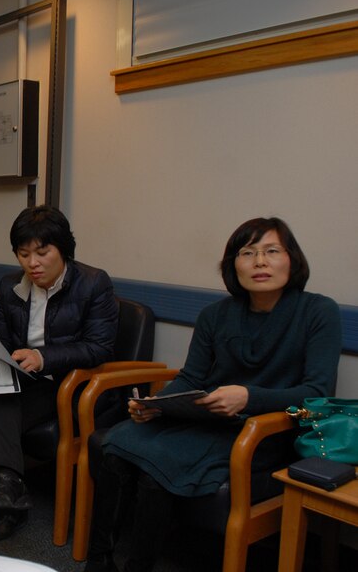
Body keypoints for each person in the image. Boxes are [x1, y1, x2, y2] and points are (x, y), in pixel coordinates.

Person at [85, 217, 341, 572]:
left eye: (271, 251)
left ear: (292, 260)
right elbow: (191, 376)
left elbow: (318, 393)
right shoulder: (214, 315)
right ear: (233, 265)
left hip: (260, 432)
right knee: (116, 444)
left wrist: (248, 398)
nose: (260, 262)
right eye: (247, 252)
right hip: (202, 421)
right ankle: (99, 562)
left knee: (155, 467)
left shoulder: (319, 312)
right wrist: (156, 406)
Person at [0, 205, 118, 541]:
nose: (32, 263)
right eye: (23, 254)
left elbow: (99, 347)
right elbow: (1, 341)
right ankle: (8, 488)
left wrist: (44, 357)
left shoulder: (94, 284)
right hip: (23, 380)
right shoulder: (10, 286)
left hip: (66, 385)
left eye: (42, 252)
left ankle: (0, 491)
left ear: (63, 248)